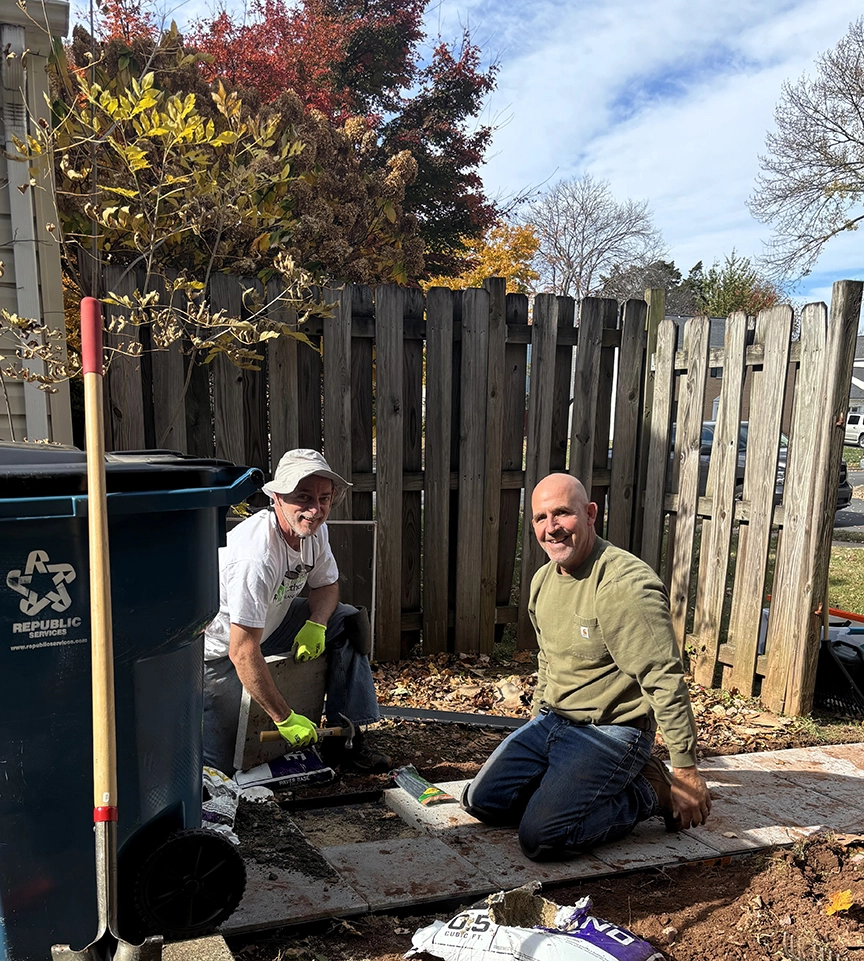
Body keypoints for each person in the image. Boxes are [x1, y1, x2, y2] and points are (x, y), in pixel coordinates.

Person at [462, 472, 711, 861]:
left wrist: (686, 771)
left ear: (591, 513)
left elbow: (664, 679)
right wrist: (535, 721)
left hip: (613, 730)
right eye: (541, 518)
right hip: (554, 721)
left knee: (543, 838)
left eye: (562, 514)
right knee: (482, 803)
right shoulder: (543, 580)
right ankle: (572, 783)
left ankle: (648, 791)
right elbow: (548, 659)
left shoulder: (623, 586)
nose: (552, 528)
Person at [202, 448, 389, 775]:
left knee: (348, 622)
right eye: (303, 497)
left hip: (270, 624)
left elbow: (326, 586)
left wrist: (316, 624)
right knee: (220, 769)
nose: (315, 510)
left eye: (324, 498)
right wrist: (284, 718)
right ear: (276, 498)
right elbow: (242, 651)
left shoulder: (314, 531)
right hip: (217, 653)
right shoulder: (254, 558)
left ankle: (346, 739)